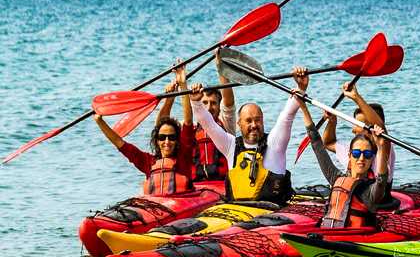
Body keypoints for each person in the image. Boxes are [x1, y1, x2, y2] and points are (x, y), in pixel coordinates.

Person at [189, 66, 309, 204]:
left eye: (257, 120)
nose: (254, 125)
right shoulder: (230, 146)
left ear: (263, 121)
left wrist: (300, 87)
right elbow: (208, 123)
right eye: (248, 121)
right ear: (239, 123)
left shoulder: (274, 143)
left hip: (272, 212)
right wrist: (195, 102)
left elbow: (286, 116)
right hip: (238, 210)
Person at [94, 64, 196, 195]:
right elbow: (120, 143)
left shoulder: (183, 157)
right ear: (157, 141)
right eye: (162, 137)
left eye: (171, 137)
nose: (166, 141)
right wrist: (100, 121)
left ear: (177, 141)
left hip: (180, 205)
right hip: (155, 207)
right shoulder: (148, 162)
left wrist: (183, 85)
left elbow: (188, 122)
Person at [296, 97, 393, 228]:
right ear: (350, 155)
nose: (361, 158)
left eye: (367, 154)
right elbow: (317, 143)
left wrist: (380, 146)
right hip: (331, 233)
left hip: (359, 236)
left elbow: (382, 179)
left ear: (372, 159)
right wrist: (303, 107)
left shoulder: (371, 192)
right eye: (357, 153)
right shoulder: (336, 178)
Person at [321, 84, 394, 178]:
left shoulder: (384, 149)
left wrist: (356, 97)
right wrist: (332, 122)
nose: (353, 129)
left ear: (371, 128)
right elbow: (328, 143)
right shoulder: (353, 152)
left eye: (357, 124)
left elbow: (381, 129)